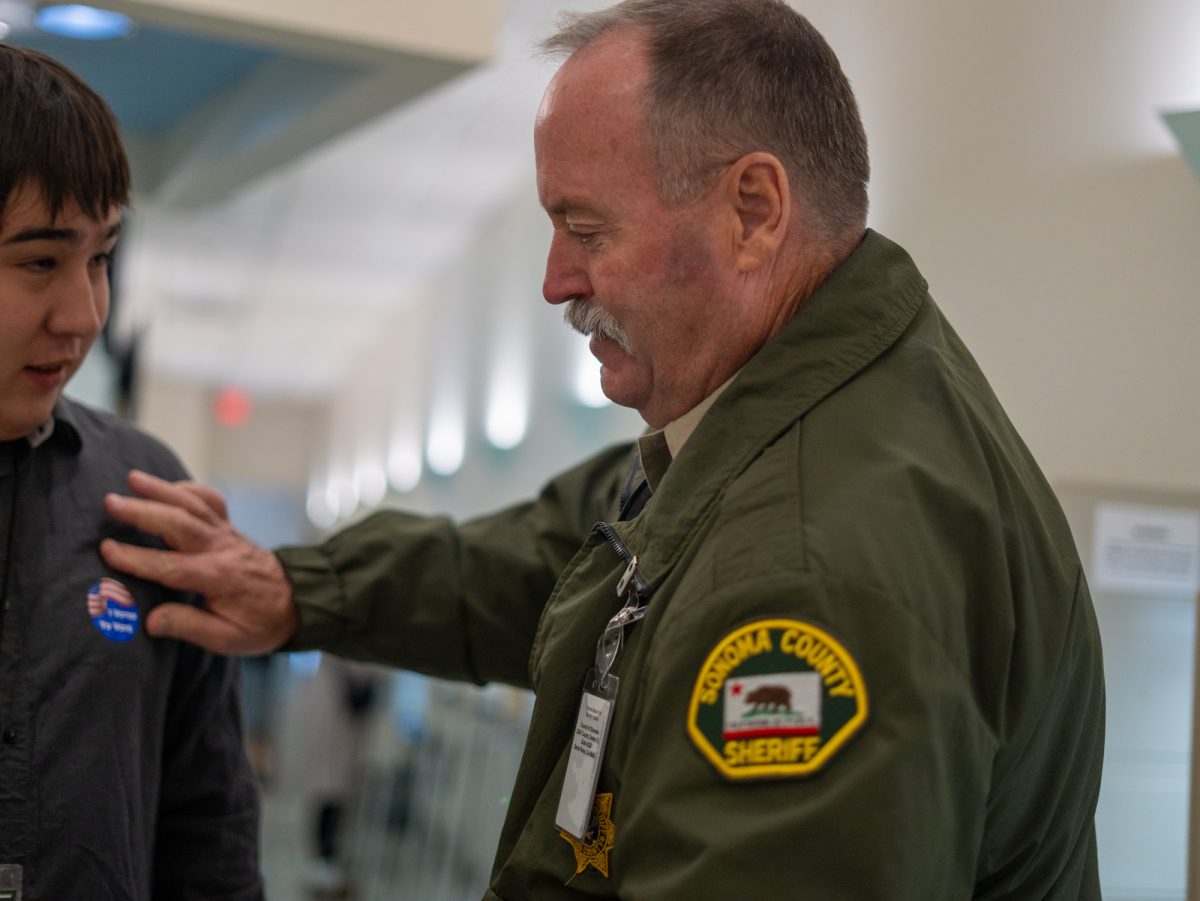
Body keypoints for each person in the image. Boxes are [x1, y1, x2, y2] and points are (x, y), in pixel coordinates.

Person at [101, 0, 1106, 897]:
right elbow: (546, 560)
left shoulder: (810, 566)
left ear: (753, 211)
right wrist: (297, 589)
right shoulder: (757, 424)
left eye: (585, 228)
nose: (553, 281)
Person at [0, 45, 262, 899]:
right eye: (40, 260)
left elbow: (208, 824)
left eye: (101, 257)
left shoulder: (146, 500)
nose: (82, 313)